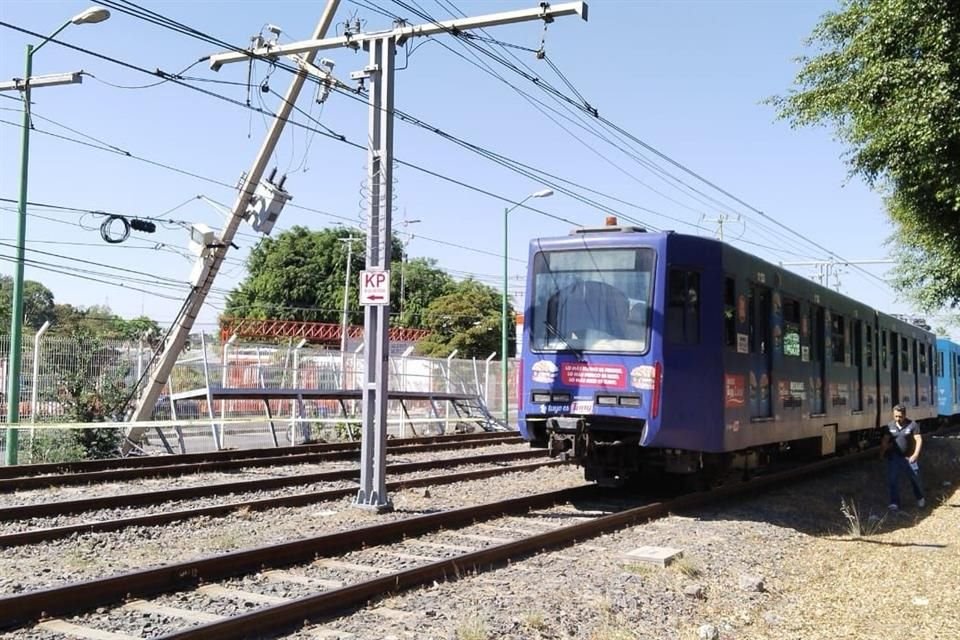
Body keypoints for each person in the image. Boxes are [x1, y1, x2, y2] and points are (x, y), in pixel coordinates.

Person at [880, 404, 925, 510]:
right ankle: (894, 502)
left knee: (915, 478)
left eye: (900, 416)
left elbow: (918, 439)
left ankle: (920, 498)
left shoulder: (913, 425)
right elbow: (885, 441)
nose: (898, 419)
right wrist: (881, 453)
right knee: (893, 479)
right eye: (895, 416)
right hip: (894, 457)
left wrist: (916, 454)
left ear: (904, 415)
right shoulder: (890, 426)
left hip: (909, 457)